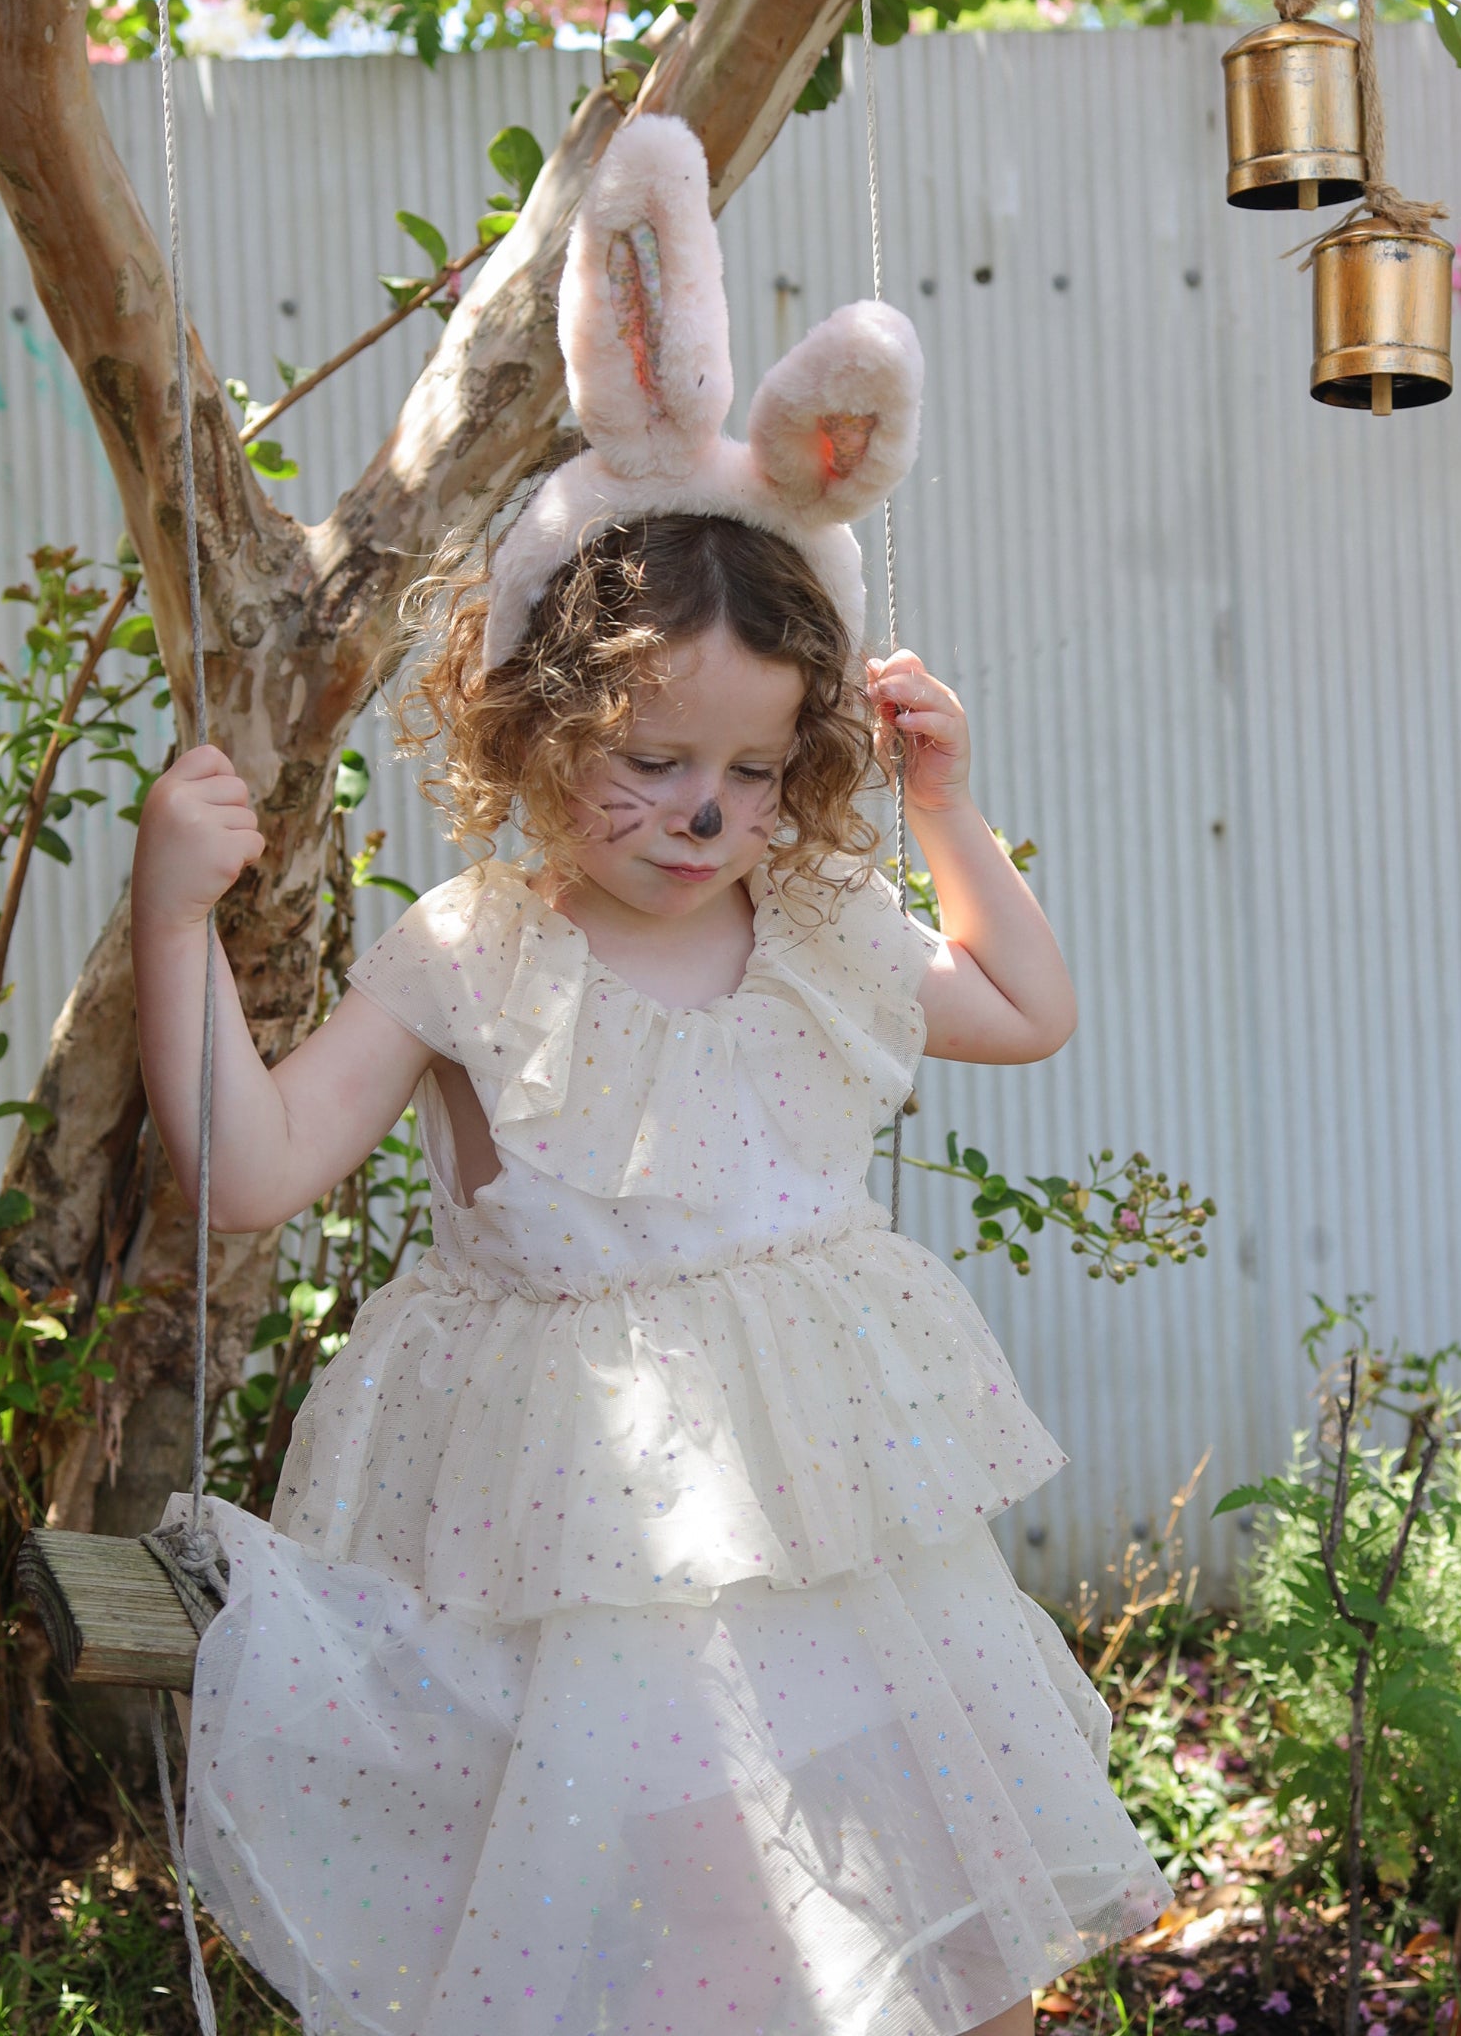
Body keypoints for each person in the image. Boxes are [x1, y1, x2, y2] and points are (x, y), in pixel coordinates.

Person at [133, 115, 1171, 2036]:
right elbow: (257, 1164)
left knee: (802, 1861)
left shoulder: (821, 931)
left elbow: (1024, 1009)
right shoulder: (474, 949)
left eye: (755, 770)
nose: (704, 813)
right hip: (558, 1498)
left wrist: (946, 808)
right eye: (651, 760)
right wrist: (173, 920)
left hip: (800, 1498)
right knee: (603, 1872)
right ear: (530, 723)